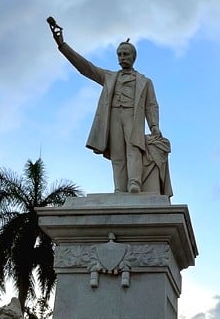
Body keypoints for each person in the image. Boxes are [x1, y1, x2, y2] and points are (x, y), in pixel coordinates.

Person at [48, 17, 171, 196]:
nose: (122, 57)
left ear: (133, 56)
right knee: (118, 154)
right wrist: (62, 45)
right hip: (113, 115)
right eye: (119, 54)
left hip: (132, 115)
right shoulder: (109, 77)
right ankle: (120, 188)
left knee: (134, 148)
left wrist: (154, 126)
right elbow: (86, 68)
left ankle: (134, 183)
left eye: (126, 54)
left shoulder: (145, 82)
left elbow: (152, 106)